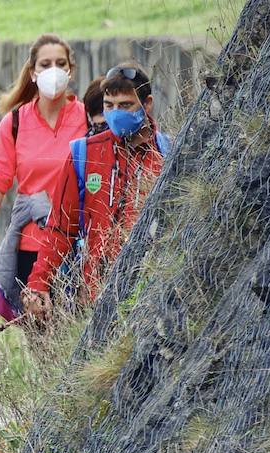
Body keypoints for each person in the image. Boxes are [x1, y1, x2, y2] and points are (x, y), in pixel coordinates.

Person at [28, 63, 172, 312]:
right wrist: (38, 283)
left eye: (125, 105)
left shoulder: (169, 155)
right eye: (109, 105)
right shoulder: (84, 154)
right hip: (95, 298)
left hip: (153, 297)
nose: (115, 113)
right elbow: (61, 227)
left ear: (147, 104)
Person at [0, 34, 88, 321]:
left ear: (70, 70)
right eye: (45, 65)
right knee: (39, 337)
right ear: (33, 72)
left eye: (60, 63)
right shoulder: (15, 123)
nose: (53, 71)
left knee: (79, 329)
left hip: (77, 245)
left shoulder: (87, 119)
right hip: (30, 249)